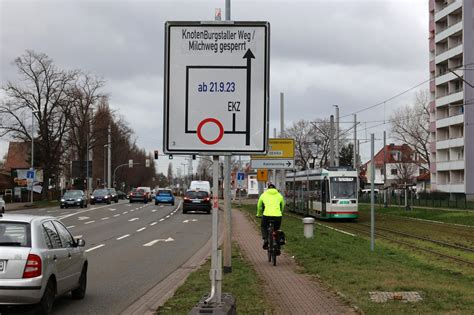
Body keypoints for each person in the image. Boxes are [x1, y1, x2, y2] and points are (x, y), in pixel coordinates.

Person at [256, 183, 285, 250]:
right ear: (275, 189)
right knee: (276, 229)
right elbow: (282, 205)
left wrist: (259, 214)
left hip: (266, 215)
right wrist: (280, 212)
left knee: (263, 226)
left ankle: (266, 239)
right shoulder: (279, 195)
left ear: (268, 189)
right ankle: (277, 245)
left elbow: (259, 206)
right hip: (277, 216)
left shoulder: (263, 195)